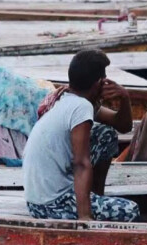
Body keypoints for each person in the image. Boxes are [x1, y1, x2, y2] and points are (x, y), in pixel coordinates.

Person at [23, 50, 138, 222]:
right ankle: (88, 209)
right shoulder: (81, 107)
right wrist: (85, 217)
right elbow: (81, 164)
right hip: (51, 204)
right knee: (130, 211)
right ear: (99, 83)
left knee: (106, 134)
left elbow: (123, 126)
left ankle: (95, 198)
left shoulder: (68, 100)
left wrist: (124, 98)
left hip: (35, 202)